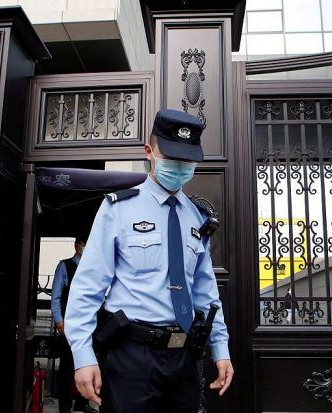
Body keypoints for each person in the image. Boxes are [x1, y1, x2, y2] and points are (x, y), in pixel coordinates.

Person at [64, 109, 234, 412]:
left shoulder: (197, 218)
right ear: (149, 151)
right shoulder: (117, 209)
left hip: (184, 358)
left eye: (187, 160)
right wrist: (83, 355)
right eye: (172, 158)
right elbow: (87, 286)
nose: (180, 167)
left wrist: (221, 349)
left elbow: (206, 293)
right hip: (132, 357)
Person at [51, 236, 89, 413]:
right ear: (77, 245)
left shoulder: (91, 266)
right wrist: (59, 320)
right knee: (67, 365)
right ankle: (64, 405)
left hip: (87, 322)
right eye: (83, 244)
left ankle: (82, 403)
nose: (86, 247)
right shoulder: (64, 266)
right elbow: (56, 296)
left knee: (85, 362)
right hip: (69, 322)